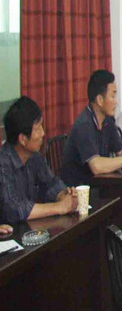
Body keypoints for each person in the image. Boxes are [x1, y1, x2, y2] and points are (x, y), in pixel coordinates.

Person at [61, 70, 122, 186]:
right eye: (112, 96)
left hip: (100, 183)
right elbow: (96, 166)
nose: (116, 102)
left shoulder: (107, 120)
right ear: (100, 100)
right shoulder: (84, 125)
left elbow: (120, 150)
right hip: (80, 189)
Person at [0, 96, 77, 224]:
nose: (43, 133)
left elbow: (50, 183)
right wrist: (58, 207)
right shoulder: (3, 163)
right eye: (37, 128)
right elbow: (13, 209)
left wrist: (63, 195)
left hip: (32, 229)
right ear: (23, 139)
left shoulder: (34, 156)